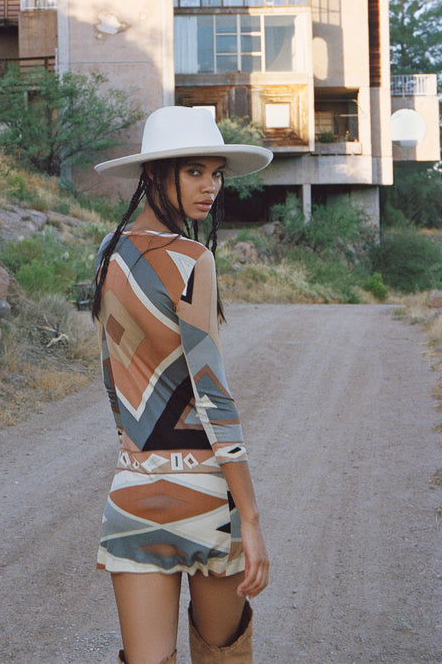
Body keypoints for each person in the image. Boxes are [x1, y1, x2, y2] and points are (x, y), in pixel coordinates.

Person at [92, 106, 272, 664]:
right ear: (155, 174)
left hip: (133, 494)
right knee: (223, 656)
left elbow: (112, 377)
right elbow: (211, 393)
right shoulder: (193, 259)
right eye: (194, 172)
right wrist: (249, 516)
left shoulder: (108, 252)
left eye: (216, 173)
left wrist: (140, 456)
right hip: (204, 498)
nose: (210, 186)